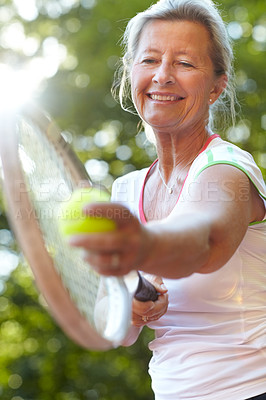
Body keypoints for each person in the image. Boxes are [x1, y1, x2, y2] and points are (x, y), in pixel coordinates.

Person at [69, 0, 266, 399]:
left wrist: (139, 244)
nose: (163, 76)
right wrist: (133, 308)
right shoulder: (126, 191)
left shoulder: (228, 167)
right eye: (150, 60)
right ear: (131, 74)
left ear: (216, 86)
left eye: (185, 64)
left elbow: (204, 239)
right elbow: (117, 330)